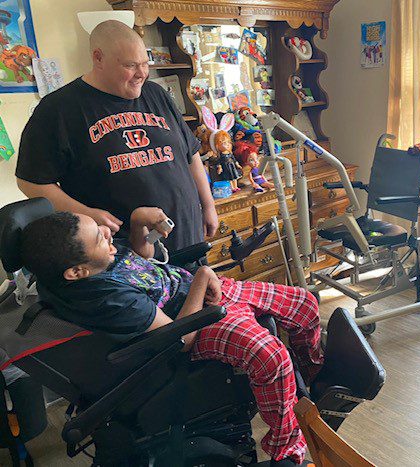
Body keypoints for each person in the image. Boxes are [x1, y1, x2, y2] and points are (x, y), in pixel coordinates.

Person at [20, 207, 322, 467]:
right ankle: (287, 448)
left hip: (200, 292)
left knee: (305, 304)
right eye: (99, 236)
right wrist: (202, 278)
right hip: (193, 322)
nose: (106, 231)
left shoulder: (95, 260)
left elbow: (141, 258)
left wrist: (139, 223)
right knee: (271, 356)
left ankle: (312, 378)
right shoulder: (107, 299)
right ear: (77, 272)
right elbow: (180, 339)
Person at [15, 20, 218, 252]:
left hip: (186, 234)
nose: (141, 74)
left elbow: (190, 155)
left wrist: (208, 205)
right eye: (130, 65)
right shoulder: (58, 109)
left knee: (201, 287)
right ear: (98, 58)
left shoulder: (157, 94)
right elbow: (31, 182)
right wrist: (87, 215)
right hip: (122, 250)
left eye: (145, 63)